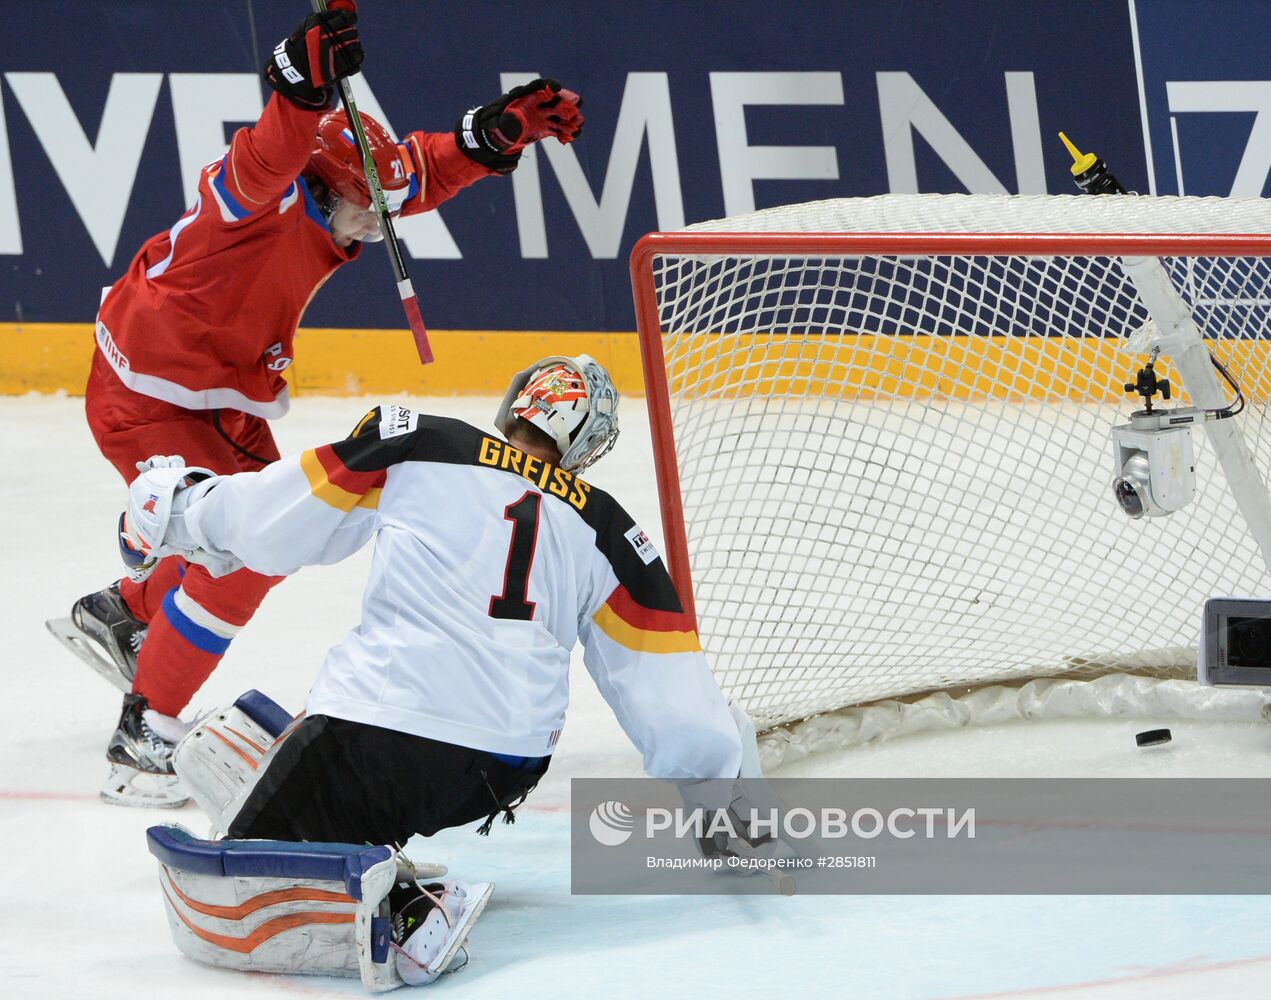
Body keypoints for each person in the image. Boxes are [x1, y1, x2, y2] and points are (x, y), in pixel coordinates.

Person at [46, 0, 585, 806]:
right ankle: (142, 739)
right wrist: (298, 93)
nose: (380, 222)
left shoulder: (339, 200)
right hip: (147, 394)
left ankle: (127, 614)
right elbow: (265, 156)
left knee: (284, 528)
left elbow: (414, 173)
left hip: (224, 397)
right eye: (367, 207)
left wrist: (495, 134)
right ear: (323, 186)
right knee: (238, 559)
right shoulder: (251, 204)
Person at [120, 355, 756, 849]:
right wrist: (719, 793)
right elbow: (666, 686)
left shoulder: (422, 444)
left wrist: (180, 510)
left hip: (380, 734)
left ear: (516, 406)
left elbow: (273, 519)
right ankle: (361, 837)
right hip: (505, 768)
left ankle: (400, 909)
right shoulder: (613, 531)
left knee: (249, 855)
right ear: (586, 449)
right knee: (323, 766)